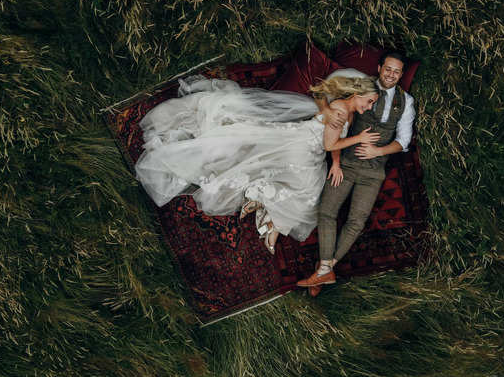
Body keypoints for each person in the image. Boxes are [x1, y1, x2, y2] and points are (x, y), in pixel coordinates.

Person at [134, 75, 380, 253]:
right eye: (368, 102)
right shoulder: (339, 110)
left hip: (303, 142)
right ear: (357, 95)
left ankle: (263, 206)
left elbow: (332, 140)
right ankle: (263, 203)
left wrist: (336, 164)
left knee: (306, 183)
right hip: (303, 148)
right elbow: (329, 144)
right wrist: (358, 139)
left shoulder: (342, 109)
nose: (368, 107)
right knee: (311, 196)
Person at [297, 51, 416, 295]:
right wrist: (336, 159)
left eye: (397, 71)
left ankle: (325, 269)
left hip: (374, 171)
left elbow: (403, 141)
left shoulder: (406, 102)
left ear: (401, 74)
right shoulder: (362, 85)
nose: (391, 74)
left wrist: (378, 151)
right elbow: (324, 93)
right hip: (347, 162)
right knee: (327, 212)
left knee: (356, 221)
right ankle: (324, 272)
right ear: (380, 67)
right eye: (388, 69)